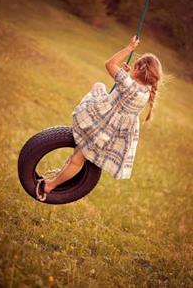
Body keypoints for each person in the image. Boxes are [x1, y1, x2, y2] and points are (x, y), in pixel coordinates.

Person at [36, 35, 163, 202]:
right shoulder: (146, 92)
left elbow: (109, 64)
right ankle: (56, 179)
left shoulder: (129, 84)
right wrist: (126, 76)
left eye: (135, 65)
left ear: (139, 67)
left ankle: (49, 186)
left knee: (77, 159)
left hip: (103, 125)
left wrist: (129, 48)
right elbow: (125, 94)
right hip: (111, 134)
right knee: (79, 153)